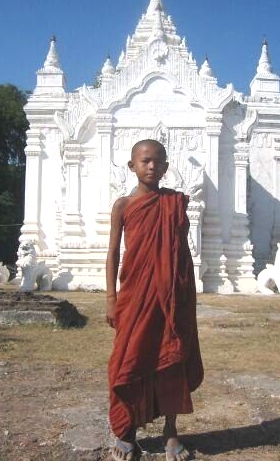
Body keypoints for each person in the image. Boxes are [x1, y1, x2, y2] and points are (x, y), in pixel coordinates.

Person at [106, 139, 204, 461]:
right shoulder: (123, 205)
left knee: (171, 358)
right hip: (135, 295)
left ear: (165, 166)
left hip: (171, 296)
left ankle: (171, 432)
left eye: (158, 161)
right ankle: (128, 430)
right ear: (131, 165)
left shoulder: (173, 202)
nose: (152, 166)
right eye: (145, 161)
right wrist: (111, 298)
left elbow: (180, 253)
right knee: (132, 357)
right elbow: (112, 255)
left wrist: (184, 294)